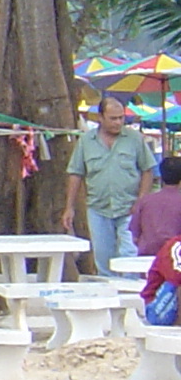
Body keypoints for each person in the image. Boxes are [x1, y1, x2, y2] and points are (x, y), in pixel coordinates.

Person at [69, 94, 156, 268]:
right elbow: (75, 173)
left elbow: (148, 169)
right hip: (98, 208)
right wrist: (69, 207)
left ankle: (130, 290)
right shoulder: (86, 141)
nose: (118, 122)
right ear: (100, 118)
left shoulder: (134, 139)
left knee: (130, 255)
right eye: (113, 118)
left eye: (121, 118)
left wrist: (141, 200)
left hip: (129, 207)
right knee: (103, 258)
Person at [134, 155, 181, 260]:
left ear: (161, 177)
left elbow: (135, 235)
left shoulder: (145, 201)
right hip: (174, 257)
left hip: (147, 256)